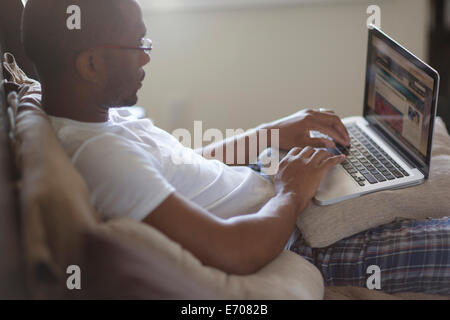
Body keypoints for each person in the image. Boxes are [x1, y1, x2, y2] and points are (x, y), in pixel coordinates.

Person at [21, 0, 450, 295]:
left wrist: (273, 132)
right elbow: (235, 251)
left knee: (401, 158)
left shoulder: (97, 117)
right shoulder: (101, 158)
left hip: (286, 199)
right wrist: (290, 191)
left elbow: (186, 165)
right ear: (91, 64)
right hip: (300, 238)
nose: (146, 58)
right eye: (138, 45)